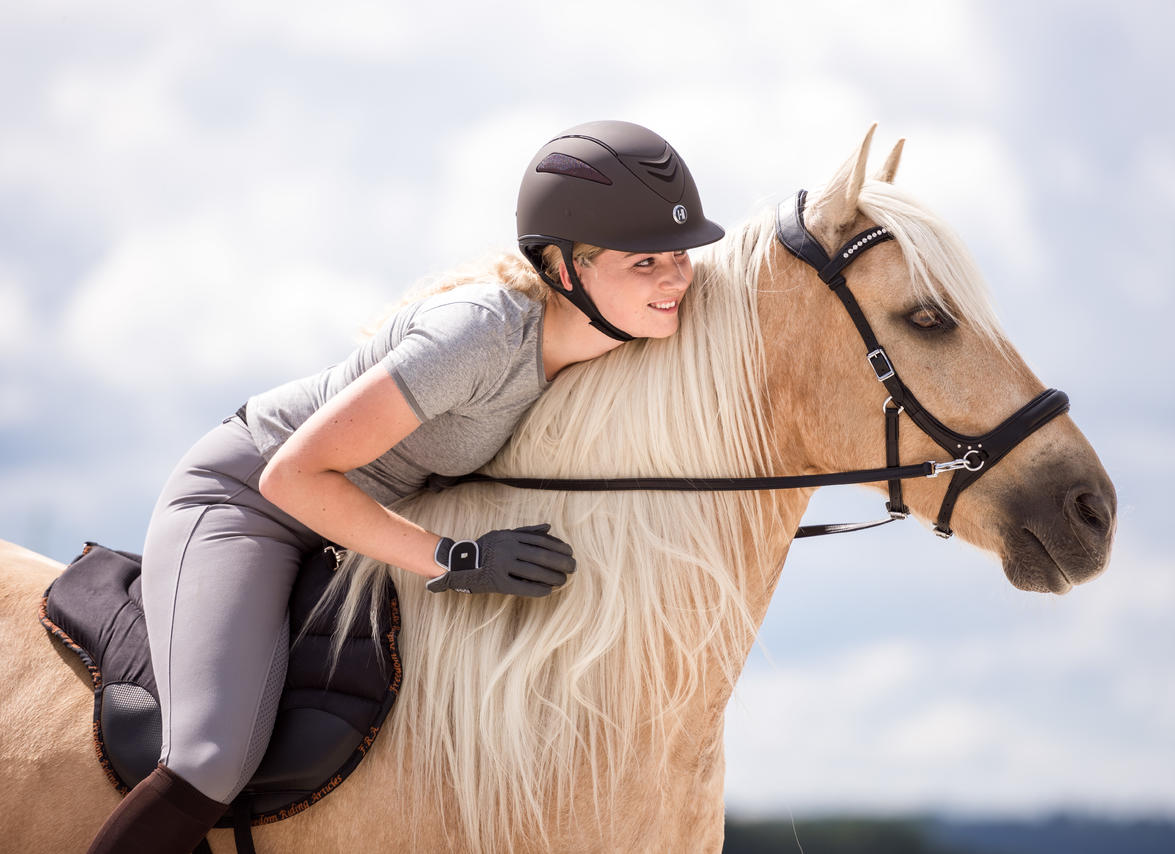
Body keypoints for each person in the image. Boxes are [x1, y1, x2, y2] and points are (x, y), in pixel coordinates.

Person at [85, 120, 725, 854]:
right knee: (210, 758)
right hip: (250, 500)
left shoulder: (610, 346)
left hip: (353, 512)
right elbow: (293, 475)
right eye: (646, 262)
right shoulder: (479, 336)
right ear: (564, 267)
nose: (677, 279)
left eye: (681, 254)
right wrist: (457, 559)